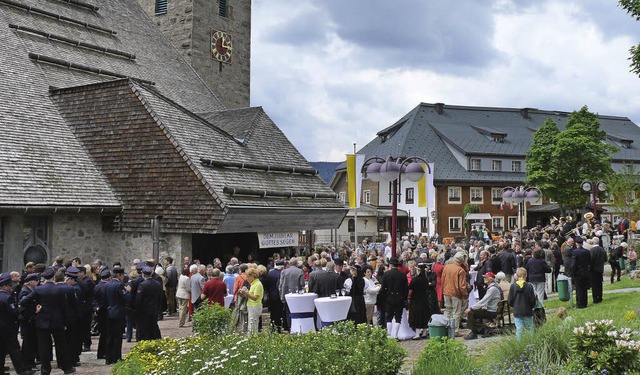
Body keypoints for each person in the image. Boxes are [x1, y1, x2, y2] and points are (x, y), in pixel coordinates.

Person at [23, 267, 75, 374]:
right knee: (61, 345)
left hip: (42, 321)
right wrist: (66, 322)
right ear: (54, 276)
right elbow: (63, 307)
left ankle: (45, 369)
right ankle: (66, 367)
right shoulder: (59, 290)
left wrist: (35, 310)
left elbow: (24, 300)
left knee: (44, 347)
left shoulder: (38, 289)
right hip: (57, 320)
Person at [0, 272, 33, 375]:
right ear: (5, 286)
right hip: (8, 328)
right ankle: (21, 371)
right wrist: (20, 309)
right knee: (15, 351)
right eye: (10, 286)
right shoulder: (8, 298)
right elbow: (13, 312)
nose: (11, 288)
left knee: (1, 351)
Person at [104, 268, 132, 365]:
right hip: (118, 313)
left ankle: (108, 358)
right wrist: (128, 291)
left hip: (109, 312)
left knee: (109, 336)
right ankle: (116, 357)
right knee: (117, 337)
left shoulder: (107, 284)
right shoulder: (119, 285)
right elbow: (127, 298)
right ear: (119, 275)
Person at [464, 271, 502, 340]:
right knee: (475, 312)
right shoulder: (494, 287)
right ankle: (480, 329)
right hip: (493, 310)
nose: (484, 279)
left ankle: (474, 332)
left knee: (471, 312)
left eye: (486, 277)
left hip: (491, 311)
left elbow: (483, 301)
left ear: (490, 279)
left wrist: (471, 308)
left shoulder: (492, 289)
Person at [380, 257, 408, 339]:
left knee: (389, 317)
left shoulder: (386, 274)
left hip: (389, 297)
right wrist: (404, 298)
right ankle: (395, 335)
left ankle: (389, 334)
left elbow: (383, 287)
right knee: (398, 317)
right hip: (400, 298)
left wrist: (384, 296)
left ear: (391, 265)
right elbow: (406, 288)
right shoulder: (402, 274)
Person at [441, 252, 468, 336]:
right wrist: (465, 296)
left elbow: (443, 279)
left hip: (446, 291)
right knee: (457, 312)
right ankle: (454, 330)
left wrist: (443, 290)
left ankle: (444, 327)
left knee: (447, 310)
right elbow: (462, 286)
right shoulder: (460, 270)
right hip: (456, 293)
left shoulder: (447, 267)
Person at [18, 273, 39, 371]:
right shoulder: (25, 291)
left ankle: (31, 363)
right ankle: (26, 365)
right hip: (27, 320)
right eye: (35, 281)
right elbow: (23, 302)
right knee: (27, 344)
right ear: (30, 282)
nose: (37, 282)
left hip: (32, 320)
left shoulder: (31, 290)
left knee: (32, 343)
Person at [508, 267, 537, 341]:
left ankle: (519, 344)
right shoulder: (529, 286)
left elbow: (510, 300)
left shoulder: (513, 286)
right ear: (526, 275)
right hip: (527, 310)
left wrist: (513, 305)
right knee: (530, 329)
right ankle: (531, 343)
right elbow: (532, 300)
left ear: (516, 276)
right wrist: (532, 306)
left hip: (517, 310)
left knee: (519, 329)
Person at [136, 266, 163, 340]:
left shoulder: (142, 285)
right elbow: (161, 297)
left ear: (143, 275)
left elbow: (139, 299)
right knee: (153, 327)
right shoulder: (157, 284)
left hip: (144, 311)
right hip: (154, 310)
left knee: (145, 329)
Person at [278, 258, 304, 331]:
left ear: (289, 264)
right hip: (297, 295)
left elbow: (280, 285)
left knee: (287, 311)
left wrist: (281, 294)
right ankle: (297, 326)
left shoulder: (284, 272)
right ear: (297, 264)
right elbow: (302, 284)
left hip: (286, 294)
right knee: (296, 310)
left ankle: (289, 326)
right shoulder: (300, 271)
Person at [238, 268, 263, 334]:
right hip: (251, 306)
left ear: (253, 275)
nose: (247, 279)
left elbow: (255, 298)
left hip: (255, 306)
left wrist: (245, 293)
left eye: (248, 277)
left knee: (252, 326)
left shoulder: (257, 284)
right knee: (251, 325)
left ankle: (252, 339)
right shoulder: (253, 284)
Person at [408, 263, 429, 339]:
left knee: (417, 315)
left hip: (416, 299)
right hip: (424, 299)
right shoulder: (425, 279)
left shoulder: (415, 280)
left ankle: (417, 334)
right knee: (424, 315)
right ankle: (424, 332)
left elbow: (410, 288)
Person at [572, 236, 591, 309]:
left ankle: (580, 303)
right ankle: (585, 303)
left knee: (579, 289)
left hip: (578, 273)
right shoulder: (587, 251)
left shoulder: (574, 252)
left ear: (576, 243)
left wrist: (573, 273)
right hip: (585, 271)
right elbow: (589, 261)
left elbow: (573, 264)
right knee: (584, 288)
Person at [265, 260, 284, 330]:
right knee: (279, 312)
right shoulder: (281, 273)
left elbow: (267, 284)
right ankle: (278, 326)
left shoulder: (270, 273)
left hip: (271, 295)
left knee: (272, 312)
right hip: (279, 296)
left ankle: (272, 326)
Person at [589, 236, 607, 304]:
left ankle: (595, 298)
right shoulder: (602, 250)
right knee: (599, 284)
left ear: (593, 242)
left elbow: (590, 260)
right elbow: (605, 259)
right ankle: (600, 297)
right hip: (600, 269)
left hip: (593, 269)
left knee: (594, 285)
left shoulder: (592, 250)